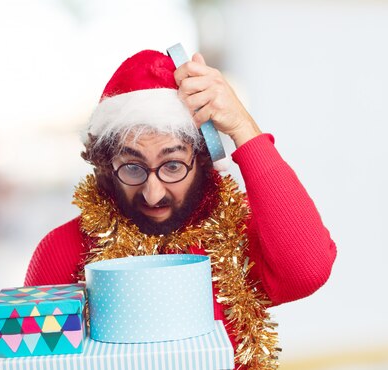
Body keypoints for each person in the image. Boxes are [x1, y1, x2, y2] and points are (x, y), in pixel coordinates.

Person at [24, 49, 337, 369]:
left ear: (202, 158)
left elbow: (308, 269)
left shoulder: (234, 237)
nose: (152, 192)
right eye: (132, 167)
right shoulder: (63, 250)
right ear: (106, 164)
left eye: (172, 166)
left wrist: (243, 128)